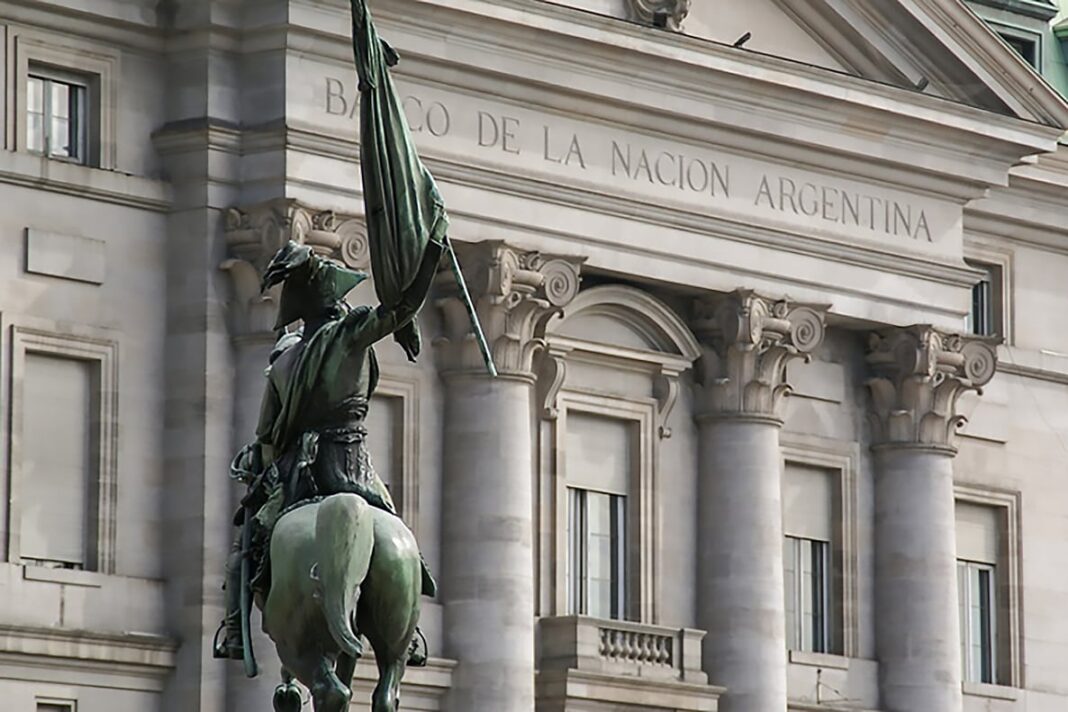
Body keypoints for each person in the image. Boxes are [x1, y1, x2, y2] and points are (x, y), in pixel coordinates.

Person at [214, 238, 442, 661]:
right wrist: (429, 256)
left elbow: (267, 434)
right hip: (353, 465)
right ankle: (409, 631)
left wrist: (258, 467)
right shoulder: (350, 335)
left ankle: (231, 628)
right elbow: (402, 307)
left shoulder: (283, 361)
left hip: (301, 470)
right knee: (393, 526)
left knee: (247, 547)